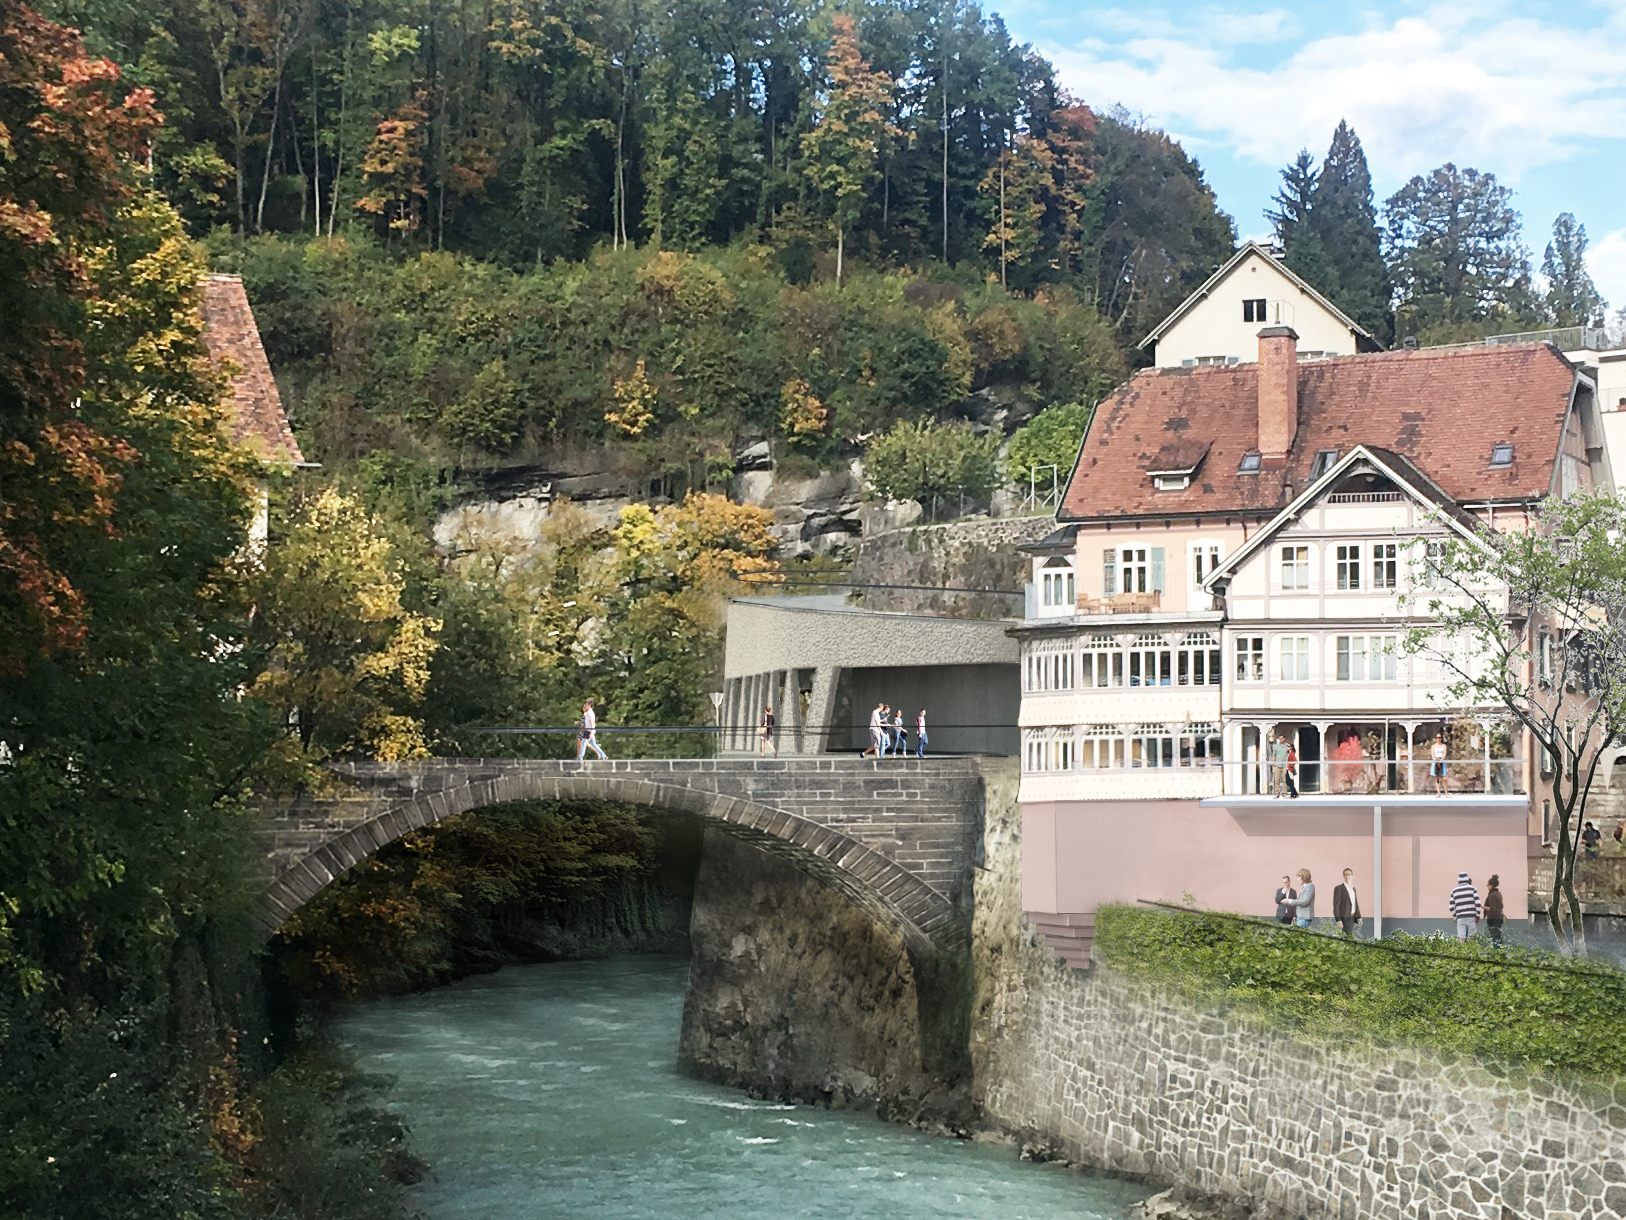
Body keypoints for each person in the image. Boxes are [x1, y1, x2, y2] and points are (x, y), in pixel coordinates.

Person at [1449, 871, 1480, 940]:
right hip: (1471, 916)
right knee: (1472, 937)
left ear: (1458, 880)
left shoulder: (1454, 891)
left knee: (1461, 937)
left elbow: (1451, 907)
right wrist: (1477, 916)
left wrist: (1455, 915)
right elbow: (1478, 904)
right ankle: (1471, 950)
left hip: (1460, 917)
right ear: (1467, 879)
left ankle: (1462, 950)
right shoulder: (1473, 889)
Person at [1332, 867, 1362, 937]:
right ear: (1343, 876)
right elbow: (1336, 906)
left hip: (1352, 917)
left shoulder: (1353, 888)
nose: (1347, 876)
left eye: (1349, 874)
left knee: (1347, 937)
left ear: (1352, 876)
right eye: (1345, 874)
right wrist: (1338, 920)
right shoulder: (1339, 888)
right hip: (1344, 917)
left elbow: (1355, 903)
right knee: (1348, 937)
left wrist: (1359, 917)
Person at [1484, 874, 1506, 945]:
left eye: (1488, 884)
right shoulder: (1498, 893)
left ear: (1491, 885)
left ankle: (1497, 951)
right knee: (1497, 937)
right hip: (1498, 918)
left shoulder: (1492, 895)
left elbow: (1492, 909)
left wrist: (1481, 906)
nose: (1487, 886)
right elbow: (1501, 906)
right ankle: (1500, 951)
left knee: (1495, 937)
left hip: (1493, 918)